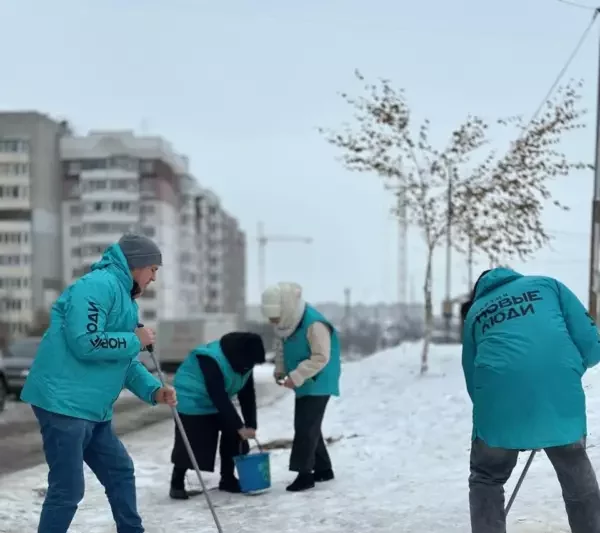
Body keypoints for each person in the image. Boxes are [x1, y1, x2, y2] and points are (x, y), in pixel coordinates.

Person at [21, 233, 176, 533]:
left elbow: (124, 361)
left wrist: (155, 389)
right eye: (153, 269)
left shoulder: (126, 302)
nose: (154, 277)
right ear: (137, 265)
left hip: (93, 410)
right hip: (64, 403)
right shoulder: (97, 286)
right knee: (67, 489)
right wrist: (134, 340)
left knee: (120, 471)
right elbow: (85, 342)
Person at [461, 266, 600, 533]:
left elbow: (473, 380)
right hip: (559, 398)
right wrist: (563, 371)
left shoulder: (476, 313)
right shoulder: (548, 286)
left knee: (486, 478)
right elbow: (593, 345)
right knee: (575, 474)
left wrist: (503, 412)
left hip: (498, 410)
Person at [261, 281, 341, 492]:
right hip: (304, 379)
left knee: (305, 426)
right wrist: (280, 370)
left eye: (275, 317)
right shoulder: (285, 322)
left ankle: (305, 475)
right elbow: (280, 347)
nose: (273, 322)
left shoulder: (314, 324)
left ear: (284, 309)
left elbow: (321, 357)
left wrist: (295, 376)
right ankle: (324, 469)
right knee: (310, 425)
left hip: (320, 379)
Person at [169, 331, 266, 498]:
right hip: (192, 397)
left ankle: (227, 479)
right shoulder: (210, 359)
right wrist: (239, 425)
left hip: (215, 398)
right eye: (250, 362)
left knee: (234, 434)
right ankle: (176, 483)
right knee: (192, 439)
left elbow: (247, 394)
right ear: (241, 354)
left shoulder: (244, 363)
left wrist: (250, 425)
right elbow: (217, 395)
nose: (251, 366)